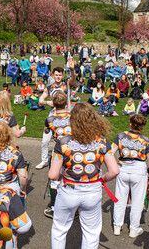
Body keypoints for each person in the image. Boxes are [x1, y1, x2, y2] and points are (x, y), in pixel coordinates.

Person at [49, 103, 119, 249]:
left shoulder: (63, 143)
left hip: (69, 190)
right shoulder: (102, 142)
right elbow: (114, 170)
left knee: (59, 230)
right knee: (91, 233)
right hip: (92, 191)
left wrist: (62, 174)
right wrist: (102, 179)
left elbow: (53, 174)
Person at [112, 114, 149, 238]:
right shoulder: (147, 141)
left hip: (123, 168)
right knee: (137, 201)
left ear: (130, 124)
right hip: (139, 169)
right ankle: (133, 228)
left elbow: (110, 152)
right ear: (142, 127)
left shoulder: (120, 136)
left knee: (120, 198)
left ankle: (117, 226)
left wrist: (116, 161)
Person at [36, 92, 70, 170]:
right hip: (65, 146)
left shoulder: (50, 120)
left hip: (62, 148)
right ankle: (44, 161)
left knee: (55, 172)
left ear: (53, 104)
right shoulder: (72, 116)